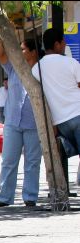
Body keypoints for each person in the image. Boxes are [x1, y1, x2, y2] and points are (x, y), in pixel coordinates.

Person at [0, 40, 42, 208]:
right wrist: (2, 36)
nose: (20, 52)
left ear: (33, 52)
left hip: (34, 123)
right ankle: (5, 197)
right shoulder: (14, 68)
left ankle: (30, 196)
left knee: (32, 161)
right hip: (13, 121)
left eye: (23, 49)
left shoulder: (41, 70)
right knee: (8, 160)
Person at [32, 27, 80, 169]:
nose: (65, 44)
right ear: (57, 44)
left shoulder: (37, 68)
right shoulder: (71, 63)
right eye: (63, 42)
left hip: (60, 123)